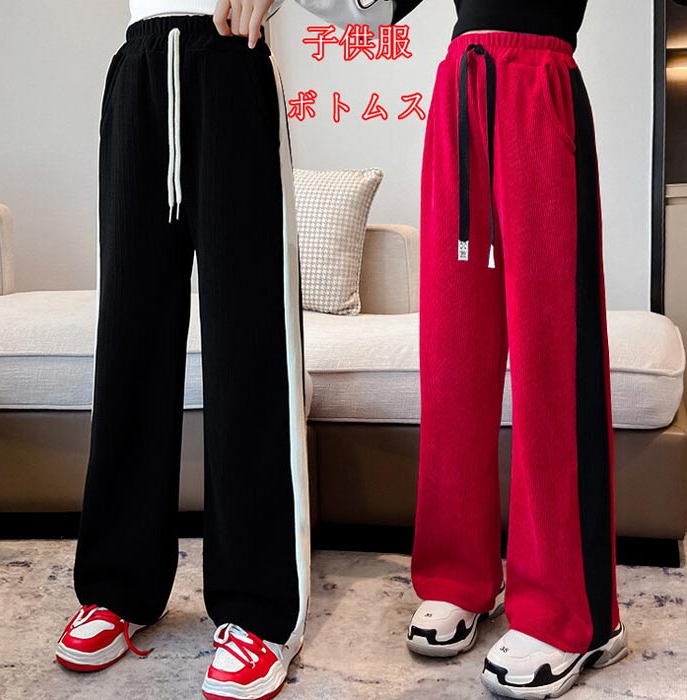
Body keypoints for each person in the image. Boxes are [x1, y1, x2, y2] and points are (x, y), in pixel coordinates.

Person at [306, 1, 629, 697]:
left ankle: (574, 612)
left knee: (552, 358)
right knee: (454, 355)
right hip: (460, 88)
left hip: (539, 81)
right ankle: (460, 576)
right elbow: (376, 8)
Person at [54, 2, 311, 699]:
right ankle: (118, 586)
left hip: (230, 58)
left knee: (247, 347)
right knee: (129, 340)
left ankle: (258, 609)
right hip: (138, 67)